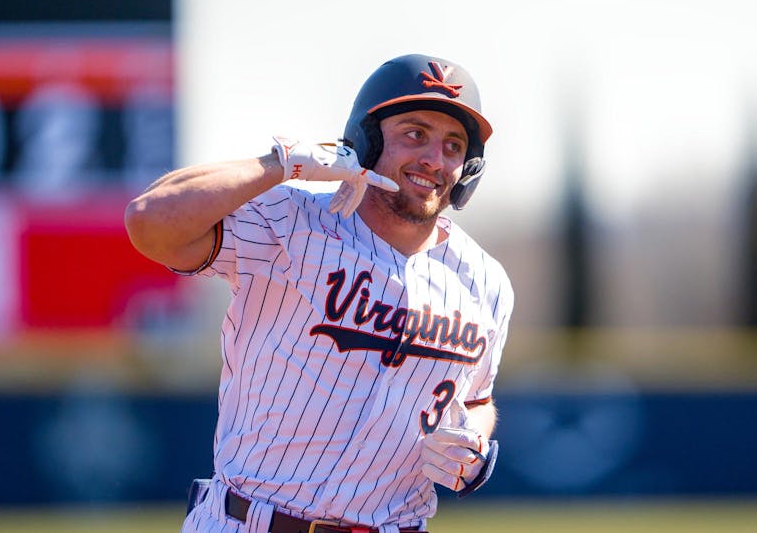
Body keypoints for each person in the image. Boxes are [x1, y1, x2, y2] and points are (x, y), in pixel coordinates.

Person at [125, 54, 514, 533]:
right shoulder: (290, 220)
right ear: (367, 141)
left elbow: (476, 401)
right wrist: (278, 165)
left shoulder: (484, 280)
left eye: (453, 145)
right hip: (251, 521)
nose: (435, 159)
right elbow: (149, 221)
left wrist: (473, 440)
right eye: (415, 134)